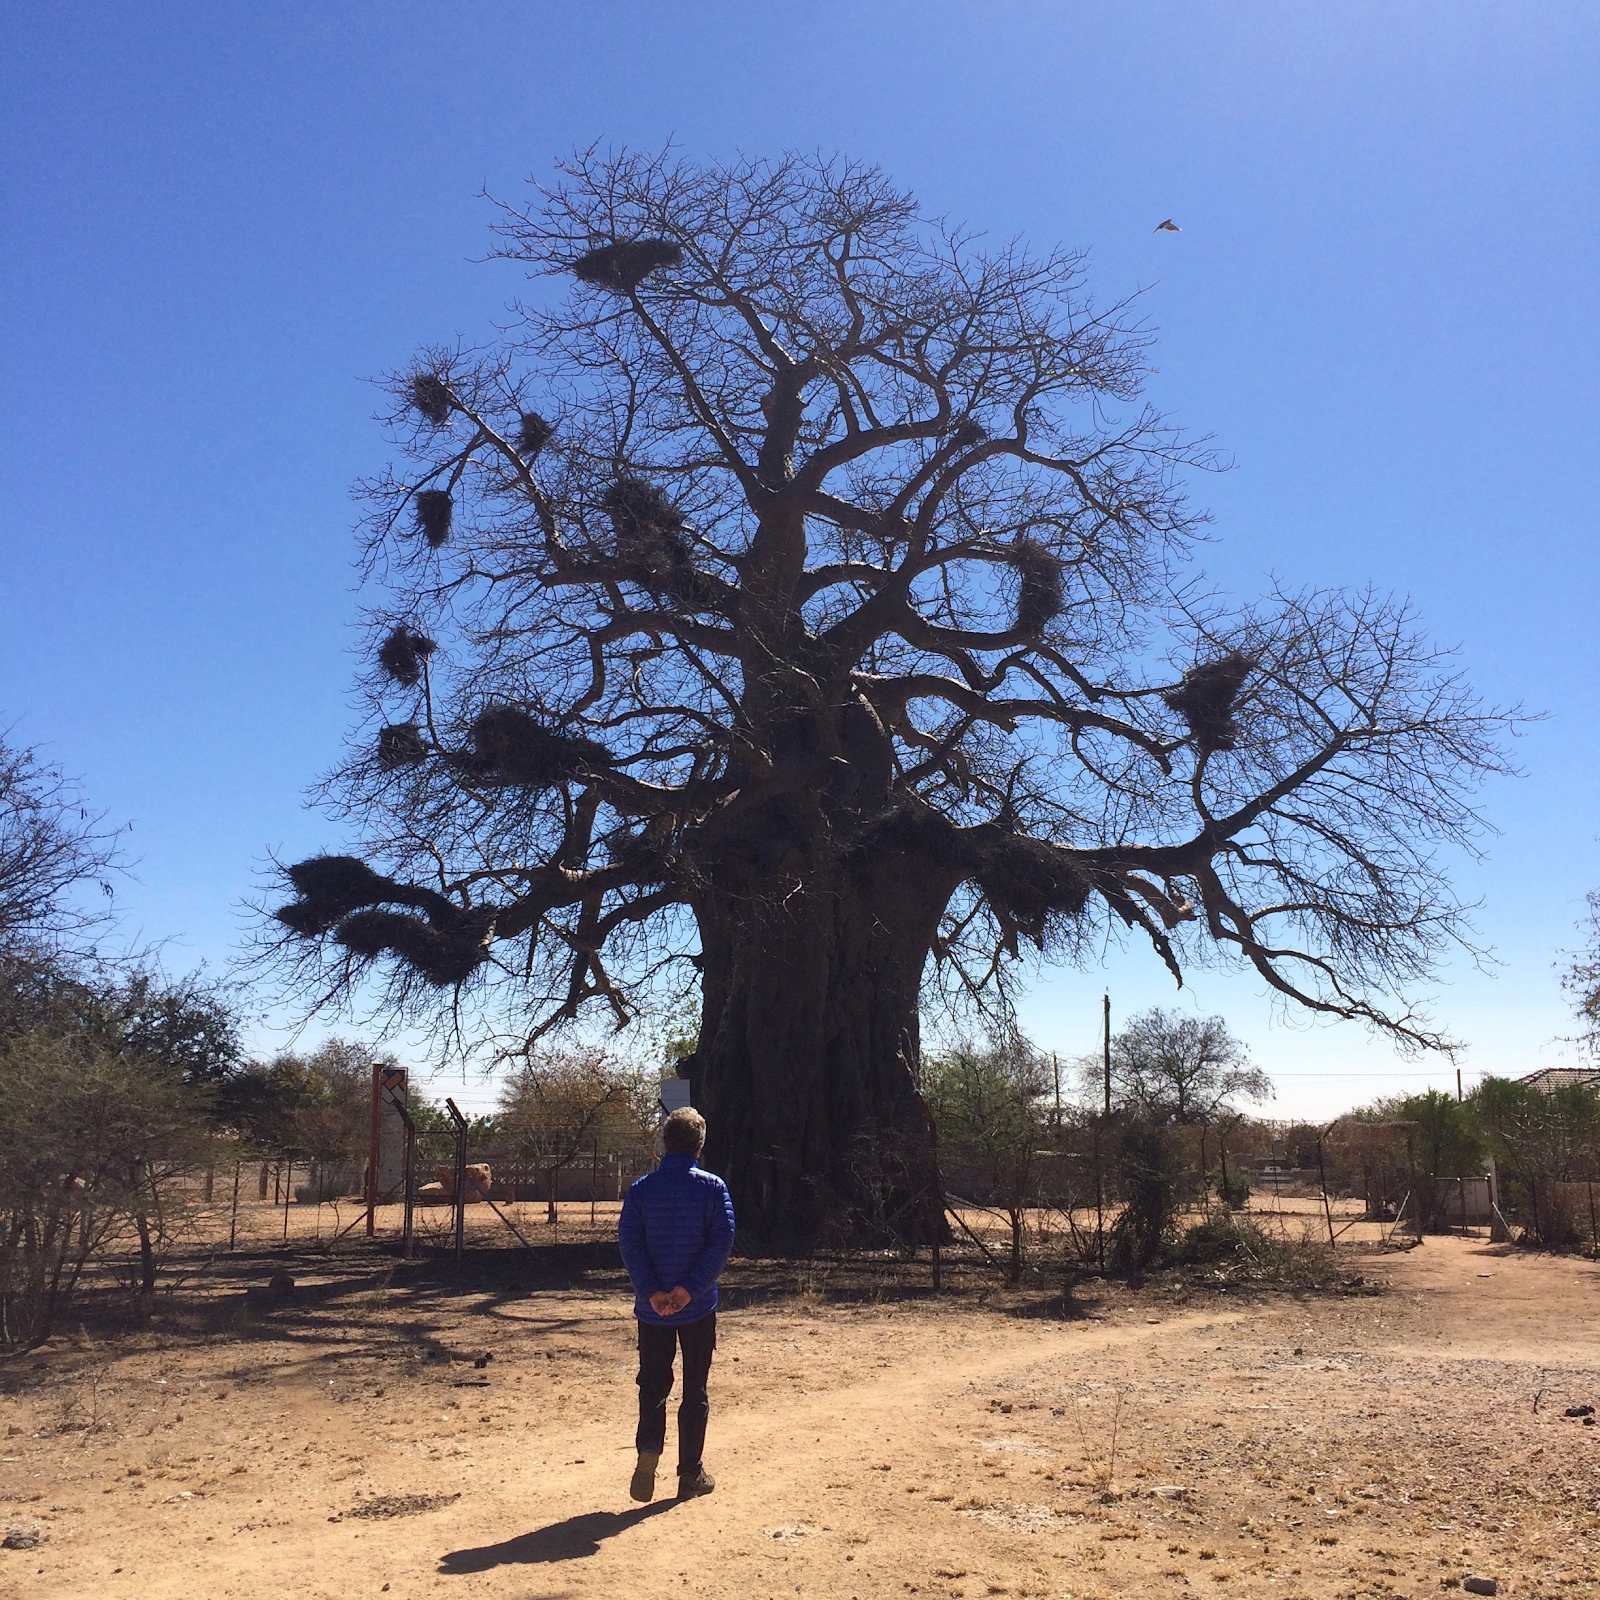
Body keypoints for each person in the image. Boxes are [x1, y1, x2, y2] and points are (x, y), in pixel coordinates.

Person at [617, 1105, 736, 1503]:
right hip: (697, 1307)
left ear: (664, 1144)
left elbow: (630, 1245)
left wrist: (651, 1290)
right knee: (694, 1388)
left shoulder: (639, 1191)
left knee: (652, 1383)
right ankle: (690, 1473)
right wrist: (690, 1290)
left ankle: (649, 1447)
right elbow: (721, 1242)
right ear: (699, 1145)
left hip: (652, 1311)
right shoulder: (713, 1188)